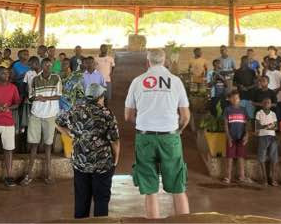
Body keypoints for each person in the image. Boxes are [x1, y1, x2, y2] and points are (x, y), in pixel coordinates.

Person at [124, 49, 190, 219]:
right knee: (178, 187)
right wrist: (178, 131)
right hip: (170, 137)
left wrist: (143, 124)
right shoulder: (175, 81)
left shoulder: (137, 82)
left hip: (145, 137)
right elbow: (185, 116)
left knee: (150, 190)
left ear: (148, 62)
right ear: (165, 61)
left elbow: (128, 116)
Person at [56, 83, 119, 219]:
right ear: (100, 97)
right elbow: (114, 141)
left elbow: (57, 121)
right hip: (102, 164)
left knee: (81, 200)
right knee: (101, 200)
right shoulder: (106, 113)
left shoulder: (74, 110)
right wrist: (116, 160)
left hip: (80, 163)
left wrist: (70, 133)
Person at [21, 58, 62, 186]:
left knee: (48, 145)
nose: (48, 66)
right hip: (36, 114)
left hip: (50, 115)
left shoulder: (56, 78)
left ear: (52, 66)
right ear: (42, 66)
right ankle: (29, 173)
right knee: (34, 145)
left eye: (50, 65)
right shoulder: (35, 79)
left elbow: (59, 95)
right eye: (45, 64)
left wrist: (45, 98)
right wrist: (36, 98)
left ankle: (48, 173)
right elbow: (31, 96)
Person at [222, 90, 249, 185]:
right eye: (232, 98)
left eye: (237, 98)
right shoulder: (227, 110)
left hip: (241, 137)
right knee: (229, 157)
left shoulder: (243, 110)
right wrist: (228, 137)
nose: (235, 100)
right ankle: (228, 177)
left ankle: (242, 176)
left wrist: (246, 135)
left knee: (241, 157)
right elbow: (225, 125)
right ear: (229, 99)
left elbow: (246, 124)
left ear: (239, 99)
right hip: (231, 137)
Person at [255, 97, 277, 187]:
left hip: (272, 137)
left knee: (274, 159)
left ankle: (273, 178)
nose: (267, 103)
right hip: (262, 136)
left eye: (269, 102)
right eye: (265, 102)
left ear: (271, 104)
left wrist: (264, 126)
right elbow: (258, 126)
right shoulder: (259, 113)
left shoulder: (273, 114)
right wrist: (269, 126)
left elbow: (275, 127)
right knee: (262, 158)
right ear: (262, 103)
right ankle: (264, 178)